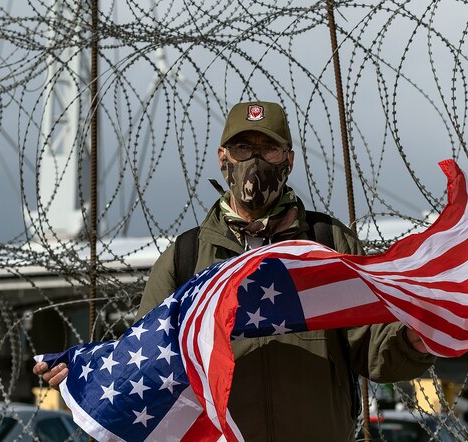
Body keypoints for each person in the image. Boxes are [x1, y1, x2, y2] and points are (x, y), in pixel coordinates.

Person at [34, 101, 436, 440]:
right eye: (243, 148)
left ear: (289, 160)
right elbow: (146, 363)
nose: (255, 160)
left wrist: (418, 339)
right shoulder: (186, 257)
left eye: (270, 149)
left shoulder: (326, 245)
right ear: (222, 157)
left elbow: (374, 347)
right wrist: (88, 374)